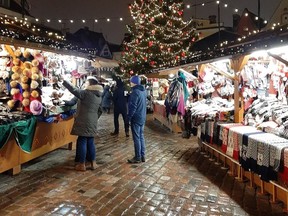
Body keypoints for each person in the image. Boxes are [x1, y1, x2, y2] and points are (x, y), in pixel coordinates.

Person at [62, 76, 103, 171]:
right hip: (92, 121)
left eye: (86, 83)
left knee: (82, 141)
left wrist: (64, 81)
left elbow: (74, 90)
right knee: (90, 142)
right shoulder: (98, 95)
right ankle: (93, 163)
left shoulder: (86, 93)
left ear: (90, 85)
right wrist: (94, 118)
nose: (85, 84)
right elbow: (100, 110)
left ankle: (82, 164)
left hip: (83, 120)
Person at [127, 75, 147, 164]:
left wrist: (128, 117)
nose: (130, 83)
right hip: (142, 116)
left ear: (133, 82)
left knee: (136, 138)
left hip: (136, 117)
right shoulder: (143, 91)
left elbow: (133, 106)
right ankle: (143, 156)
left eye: (131, 81)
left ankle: (137, 157)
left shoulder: (135, 92)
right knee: (141, 136)